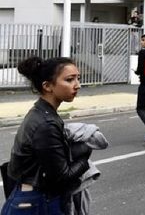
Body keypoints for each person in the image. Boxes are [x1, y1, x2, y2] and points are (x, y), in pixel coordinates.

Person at [2, 57, 91, 214]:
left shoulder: (42, 112)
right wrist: (85, 155)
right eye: (70, 80)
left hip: (32, 199)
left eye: (78, 78)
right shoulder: (46, 123)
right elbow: (63, 177)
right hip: (37, 203)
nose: (78, 85)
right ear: (47, 86)